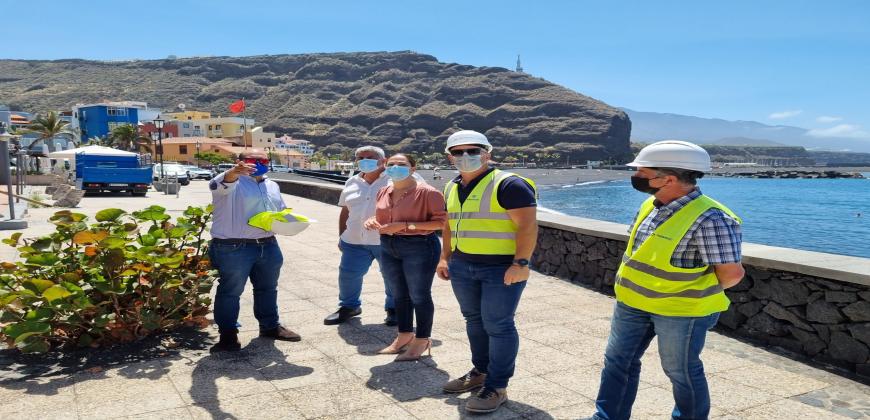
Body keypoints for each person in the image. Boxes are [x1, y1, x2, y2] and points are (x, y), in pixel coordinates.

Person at [588, 140, 745, 420]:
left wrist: (684, 293)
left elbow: (731, 275)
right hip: (632, 304)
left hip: (680, 312)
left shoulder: (712, 219)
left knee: (681, 372)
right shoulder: (651, 204)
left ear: (668, 178)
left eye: (642, 173)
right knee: (618, 362)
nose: (636, 178)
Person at [436, 130, 538, 414]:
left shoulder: (510, 185)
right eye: (458, 152)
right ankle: (480, 371)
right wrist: (445, 258)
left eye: (473, 151)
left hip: (500, 268)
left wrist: (521, 264)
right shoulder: (451, 186)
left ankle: (497, 385)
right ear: (449, 156)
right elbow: (448, 225)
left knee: (499, 324)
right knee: (473, 320)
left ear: (488, 153)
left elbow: (527, 226)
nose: (465, 157)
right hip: (463, 265)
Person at [207, 150, 301, 353]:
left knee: (268, 288)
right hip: (233, 246)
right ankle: (228, 335)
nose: (257, 163)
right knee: (230, 292)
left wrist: (293, 223)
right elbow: (221, 184)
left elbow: (279, 212)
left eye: (263, 160)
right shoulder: (231, 181)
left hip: (268, 244)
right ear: (239, 162)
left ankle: (270, 326)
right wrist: (235, 172)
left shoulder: (272, 185)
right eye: (251, 160)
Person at [364, 153, 446, 361]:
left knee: (419, 294)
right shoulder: (383, 191)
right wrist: (373, 221)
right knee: (398, 294)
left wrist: (406, 226)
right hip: (388, 245)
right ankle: (404, 335)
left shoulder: (428, 193)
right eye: (390, 165)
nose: (395, 168)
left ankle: (422, 339)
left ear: (412, 168)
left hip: (419, 246)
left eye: (401, 164)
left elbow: (442, 223)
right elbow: (384, 216)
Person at [324, 146, 396, 326]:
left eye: (370, 157)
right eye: (360, 157)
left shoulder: (394, 180)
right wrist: (341, 235)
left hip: (386, 240)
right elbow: (345, 210)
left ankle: (394, 308)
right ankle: (349, 307)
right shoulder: (351, 182)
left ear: (383, 160)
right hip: (354, 240)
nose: (364, 160)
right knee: (348, 275)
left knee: (392, 276)